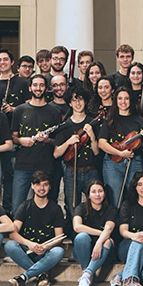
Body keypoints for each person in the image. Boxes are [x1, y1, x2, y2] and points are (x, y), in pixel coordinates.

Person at [5, 171, 66, 286]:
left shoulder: (55, 208)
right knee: (9, 245)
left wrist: (46, 247)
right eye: (38, 184)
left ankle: (24, 277)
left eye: (45, 184)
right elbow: (13, 233)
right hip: (28, 250)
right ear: (32, 186)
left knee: (58, 252)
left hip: (45, 252)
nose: (41, 188)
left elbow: (59, 237)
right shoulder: (25, 206)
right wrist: (30, 244)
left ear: (49, 186)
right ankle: (41, 275)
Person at [11, 74, 63, 207]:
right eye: (35, 85)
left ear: (46, 89)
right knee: (17, 206)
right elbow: (13, 137)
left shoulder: (54, 112)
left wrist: (47, 140)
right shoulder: (19, 110)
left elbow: (57, 141)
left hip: (46, 165)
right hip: (23, 165)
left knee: (46, 206)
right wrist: (21, 140)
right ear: (30, 88)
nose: (38, 88)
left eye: (41, 85)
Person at [0, 48, 31, 212]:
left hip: (12, 135)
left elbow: (29, 106)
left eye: (5, 59)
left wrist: (14, 109)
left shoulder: (22, 82)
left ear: (12, 62)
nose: (2, 62)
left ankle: (8, 209)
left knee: (10, 175)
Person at [99, 87, 143, 208]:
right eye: (120, 98)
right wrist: (121, 153)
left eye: (126, 98)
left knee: (135, 195)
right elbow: (101, 143)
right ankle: (115, 224)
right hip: (112, 162)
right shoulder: (110, 120)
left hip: (134, 161)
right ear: (116, 101)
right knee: (115, 197)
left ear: (130, 100)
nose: (123, 101)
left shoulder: (139, 120)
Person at [53, 87, 101, 215]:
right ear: (69, 103)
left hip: (91, 170)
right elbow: (56, 153)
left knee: (96, 205)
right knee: (72, 207)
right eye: (74, 100)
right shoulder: (65, 125)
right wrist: (68, 142)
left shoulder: (92, 123)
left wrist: (92, 136)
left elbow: (96, 152)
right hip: (71, 171)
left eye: (80, 99)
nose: (78, 103)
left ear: (85, 101)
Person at [73, 179, 117, 286]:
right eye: (93, 192)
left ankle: (87, 275)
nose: (97, 194)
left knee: (107, 241)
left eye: (100, 191)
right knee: (82, 236)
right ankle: (86, 271)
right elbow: (77, 227)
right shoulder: (81, 208)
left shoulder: (111, 209)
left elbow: (109, 229)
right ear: (88, 195)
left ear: (105, 193)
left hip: (104, 253)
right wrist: (100, 234)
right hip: (84, 253)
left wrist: (99, 242)